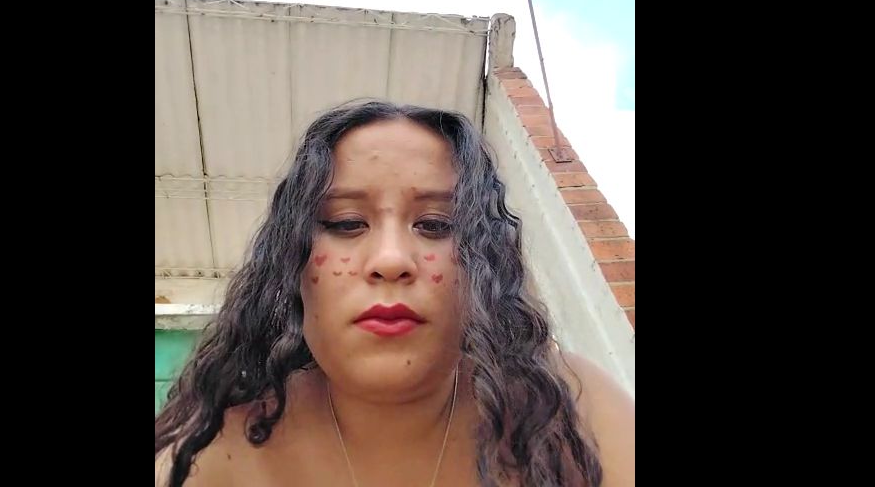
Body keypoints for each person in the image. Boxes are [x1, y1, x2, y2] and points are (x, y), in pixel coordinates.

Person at [155, 100, 634, 486]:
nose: (390, 260)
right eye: (346, 223)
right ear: (292, 260)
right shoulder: (209, 450)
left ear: (482, 261)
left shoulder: (575, 410)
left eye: (436, 225)